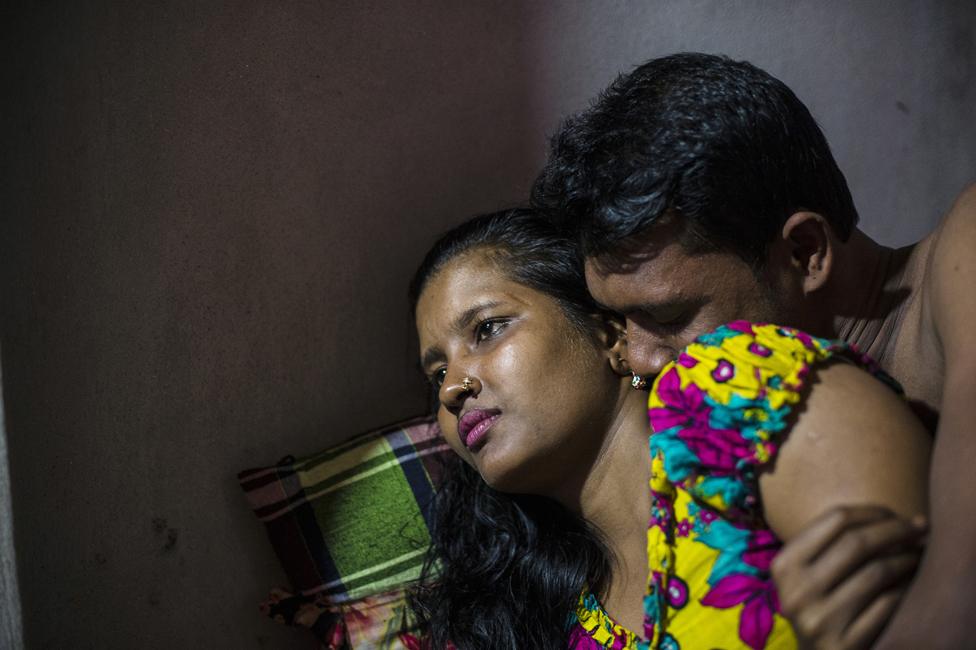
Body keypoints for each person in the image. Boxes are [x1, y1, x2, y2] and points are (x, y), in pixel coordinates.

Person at [532, 51, 976, 648]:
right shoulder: (751, 447)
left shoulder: (965, 252)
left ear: (805, 252)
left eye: (666, 315)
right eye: (619, 320)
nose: (637, 358)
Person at [407, 208, 929, 649]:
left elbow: (920, 598)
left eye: (488, 329)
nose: (453, 388)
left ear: (610, 334)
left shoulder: (730, 390)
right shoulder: (542, 622)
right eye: (436, 375)